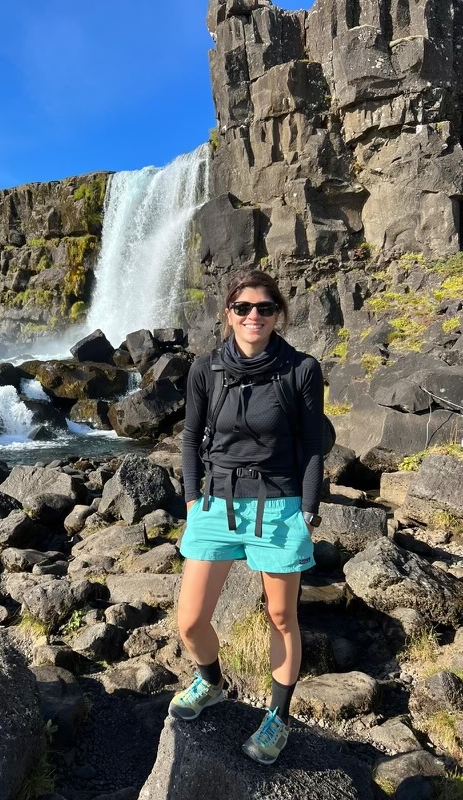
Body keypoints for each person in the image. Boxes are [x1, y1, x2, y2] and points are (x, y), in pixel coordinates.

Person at [168, 269, 324, 765]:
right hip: (215, 502)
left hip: (278, 504)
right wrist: (193, 500)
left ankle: (278, 717)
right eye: (243, 308)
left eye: (264, 308)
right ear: (228, 313)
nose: (253, 316)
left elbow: (312, 446)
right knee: (190, 620)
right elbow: (191, 439)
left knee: (282, 616)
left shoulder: (301, 369)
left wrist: (308, 510)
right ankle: (212, 683)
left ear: (278, 315)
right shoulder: (205, 369)